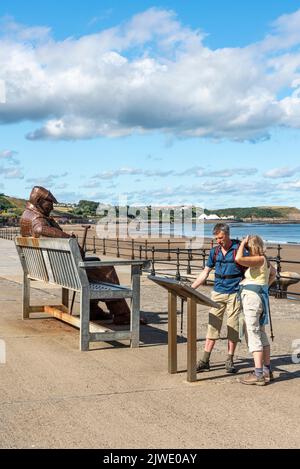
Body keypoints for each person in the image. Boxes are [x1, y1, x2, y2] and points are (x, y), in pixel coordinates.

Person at [20, 186, 142, 325]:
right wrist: (68, 238)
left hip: (41, 267)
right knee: (106, 269)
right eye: (50, 203)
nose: (52, 207)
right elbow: (40, 229)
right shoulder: (37, 218)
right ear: (39, 201)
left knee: (95, 261)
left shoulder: (26, 215)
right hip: (61, 271)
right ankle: (122, 314)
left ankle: (93, 309)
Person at [192, 223, 247, 373]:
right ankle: (205, 360)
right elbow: (205, 272)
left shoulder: (239, 250)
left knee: (233, 326)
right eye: (216, 238)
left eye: (221, 238)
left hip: (235, 293)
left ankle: (229, 359)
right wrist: (191, 288)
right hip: (217, 292)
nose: (218, 241)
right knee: (213, 325)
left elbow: (250, 272)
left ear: (228, 235)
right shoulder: (214, 252)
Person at [235, 235, 276, 386]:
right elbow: (274, 274)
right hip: (259, 297)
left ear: (252, 246)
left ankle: (258, 373)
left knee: (253, 333)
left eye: (247, 248)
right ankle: (266, 370)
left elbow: (238, 259)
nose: (246, 251)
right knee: (261, 333)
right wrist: (264, 286)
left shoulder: (259, 259)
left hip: (252, 299)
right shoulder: (265, 260)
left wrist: (242, 244)